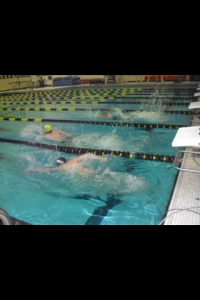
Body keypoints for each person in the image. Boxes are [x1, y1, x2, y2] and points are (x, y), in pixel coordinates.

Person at [23, 153, 108, 176]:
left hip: (82, 177)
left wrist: (32, 170)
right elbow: (87, 155)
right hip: (89, 171)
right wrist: (100, 158)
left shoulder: (62, 168)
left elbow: (46, 170)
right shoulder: (74, 160)